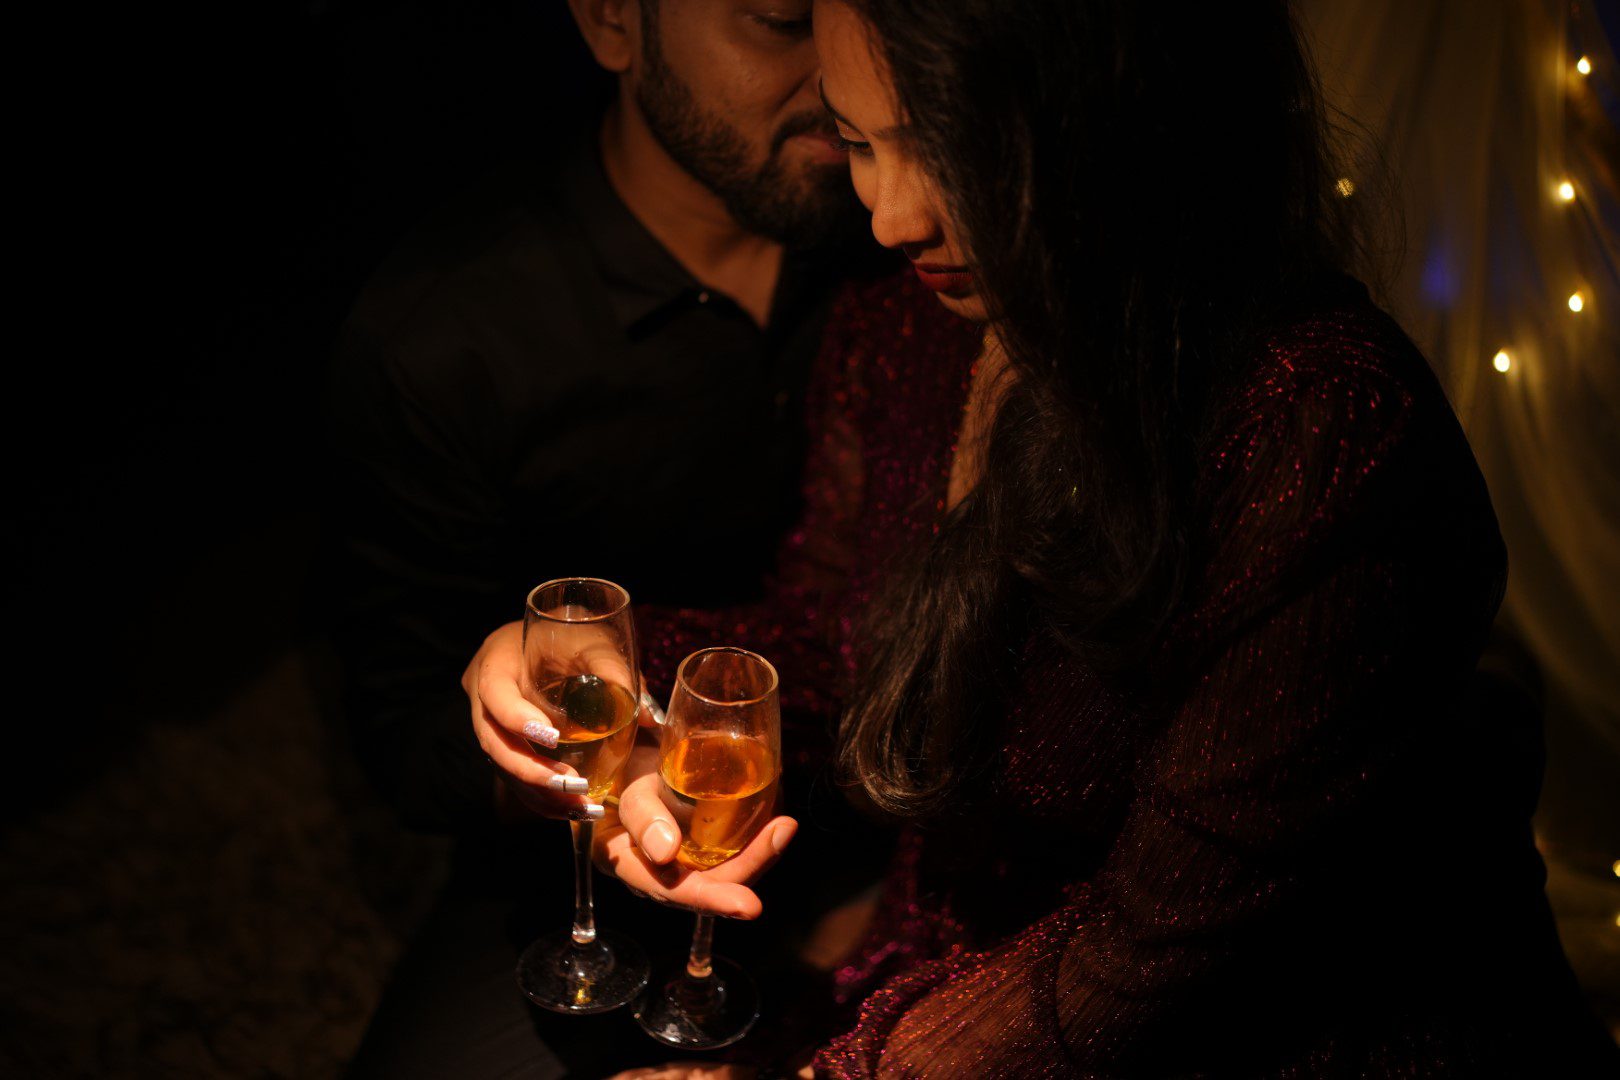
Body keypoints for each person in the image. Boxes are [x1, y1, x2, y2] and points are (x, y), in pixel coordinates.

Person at [471, 0, 1620, 1075]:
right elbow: (834, 642)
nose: (891, 215)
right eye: (860, 142)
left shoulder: (1314, 427)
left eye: (944, 144)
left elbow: (1152, 953)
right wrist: (602, 678)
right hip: (967, 998)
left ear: (1113, 107)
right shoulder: (911, 327)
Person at [324, 1, 894, 1075]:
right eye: (779, 19)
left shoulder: (911, 242)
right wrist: (557, 739)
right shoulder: (448, 335)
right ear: (613, 21)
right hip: (584, 854)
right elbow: (406, 740)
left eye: (861, 16)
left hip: (896, 821)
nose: (840, 75)